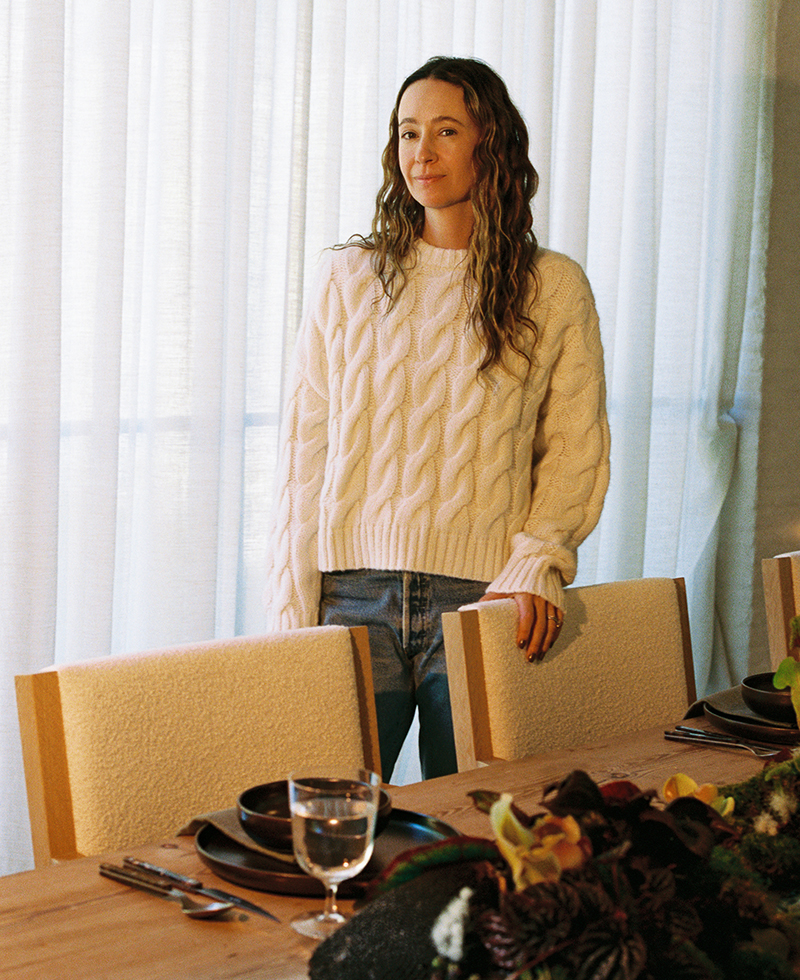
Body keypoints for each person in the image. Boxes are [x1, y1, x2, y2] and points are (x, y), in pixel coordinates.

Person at [265, 56, 610, 781]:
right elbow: (306, 455)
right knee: (331, 829)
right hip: (350, 598)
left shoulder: (552, 287)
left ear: (491, 143)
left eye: (446, 130)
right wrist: (292, 608)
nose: (421, 153)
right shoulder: (347, 280)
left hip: (484, 600)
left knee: (475, 838)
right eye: (407, 132)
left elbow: (574, 448)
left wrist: (536, 561)